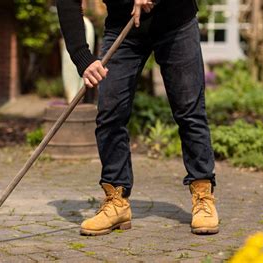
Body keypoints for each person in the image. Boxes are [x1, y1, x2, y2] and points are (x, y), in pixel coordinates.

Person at [56, 0, 219, 235]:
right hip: (124, 26)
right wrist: (83, 58)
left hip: (176, 23)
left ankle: (203, 195)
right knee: (110, 113)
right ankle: (116, 201)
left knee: (189, 111)